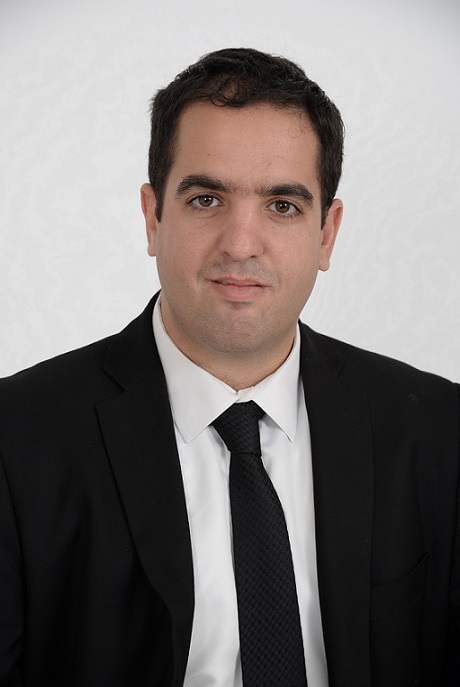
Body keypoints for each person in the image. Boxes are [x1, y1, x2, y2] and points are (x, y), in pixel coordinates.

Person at [0, 47, 458, 687]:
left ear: (327, 234)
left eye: (282, 205)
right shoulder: (16, 439)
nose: (241, 245)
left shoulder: (439, 431)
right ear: (153, 216)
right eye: (206, 199)